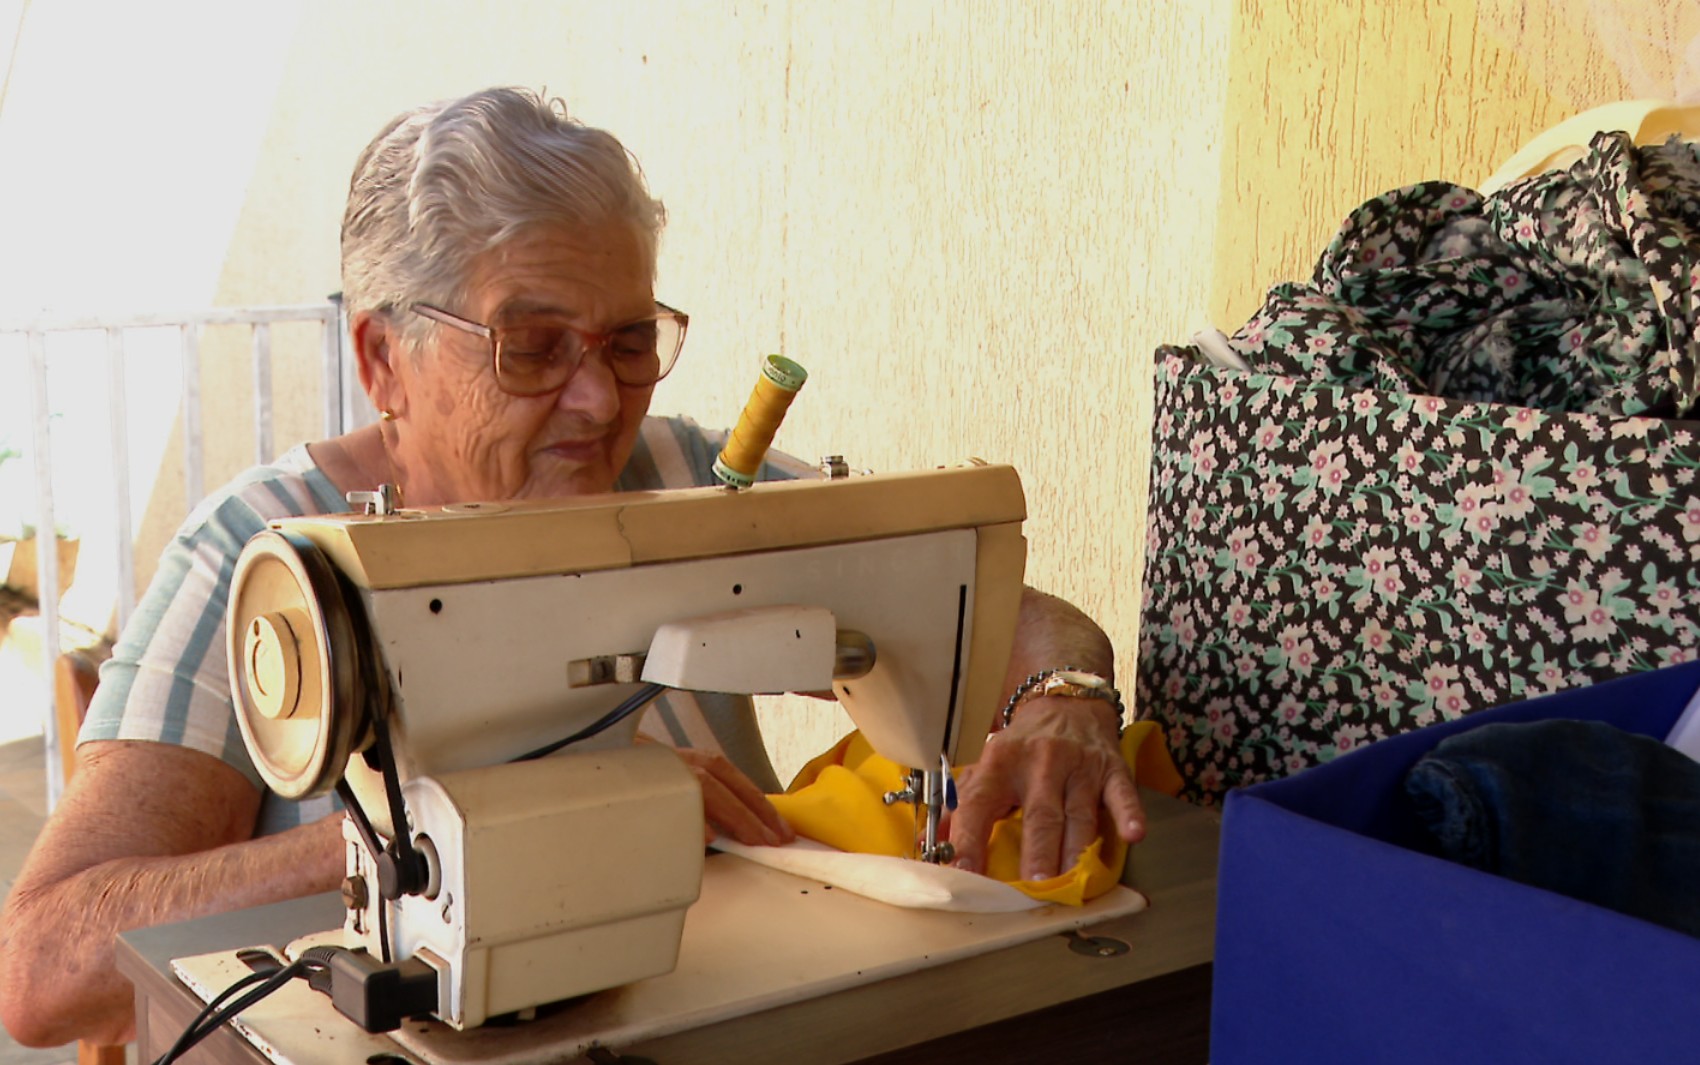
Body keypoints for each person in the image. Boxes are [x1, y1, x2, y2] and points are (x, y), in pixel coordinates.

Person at [0, 87, 1140, 1049]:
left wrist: (1063, 700)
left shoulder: (689, 474)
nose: (599, 402)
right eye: (534, 347)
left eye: (629, 340)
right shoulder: (267, 553)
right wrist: (489, 838)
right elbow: (43, 969)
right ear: (382, 357)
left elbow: (992, 621)